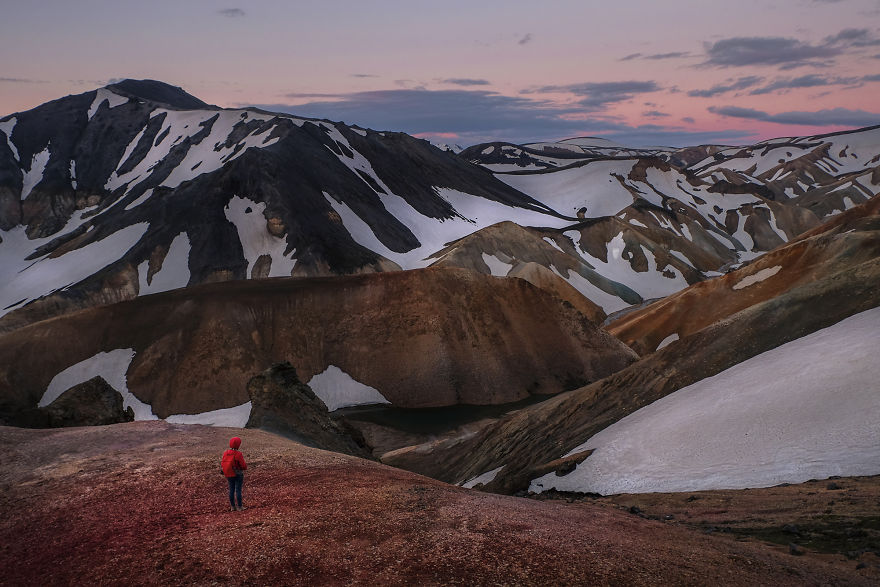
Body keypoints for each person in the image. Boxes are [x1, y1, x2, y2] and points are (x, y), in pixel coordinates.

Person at [221, 436, 248, 511]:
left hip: (228, 473)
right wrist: (244, 468)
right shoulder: (238, 454)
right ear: (238, 445)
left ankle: (232, 507)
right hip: (238, 474)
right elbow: (243, 465)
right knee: (238, 490)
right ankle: (240, 506)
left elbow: (222, 463)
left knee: (231, 489)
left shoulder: (225, 452)